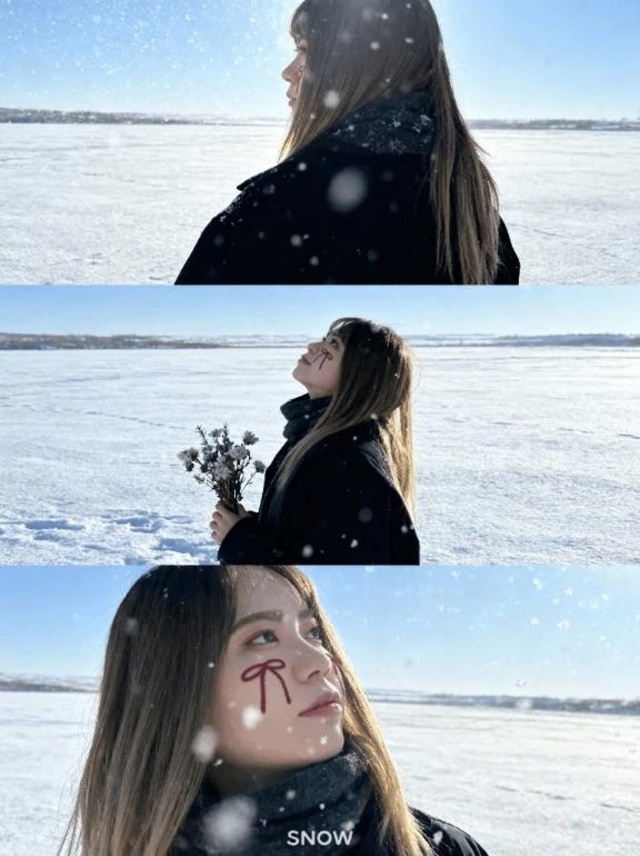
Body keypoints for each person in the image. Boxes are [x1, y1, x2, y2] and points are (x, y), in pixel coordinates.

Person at [59, 564, 492, 856]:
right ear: (172, 690)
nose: (320, 660)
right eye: (263, 637)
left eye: (313, 631)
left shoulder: (443, 849)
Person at [175, 0, 520, 286]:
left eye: (305, 50)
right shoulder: (471, 212)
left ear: (350, 64)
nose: (288, 71)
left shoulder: (270, 211)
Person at [210, 317, 419, 565]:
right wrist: (250, 527)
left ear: (359, 375)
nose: (312, 346)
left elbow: (340, 566)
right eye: (323, 339)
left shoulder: (351, 461)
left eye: (333, 345)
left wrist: (242, 540)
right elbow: (312, 536)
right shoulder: (316, 440)